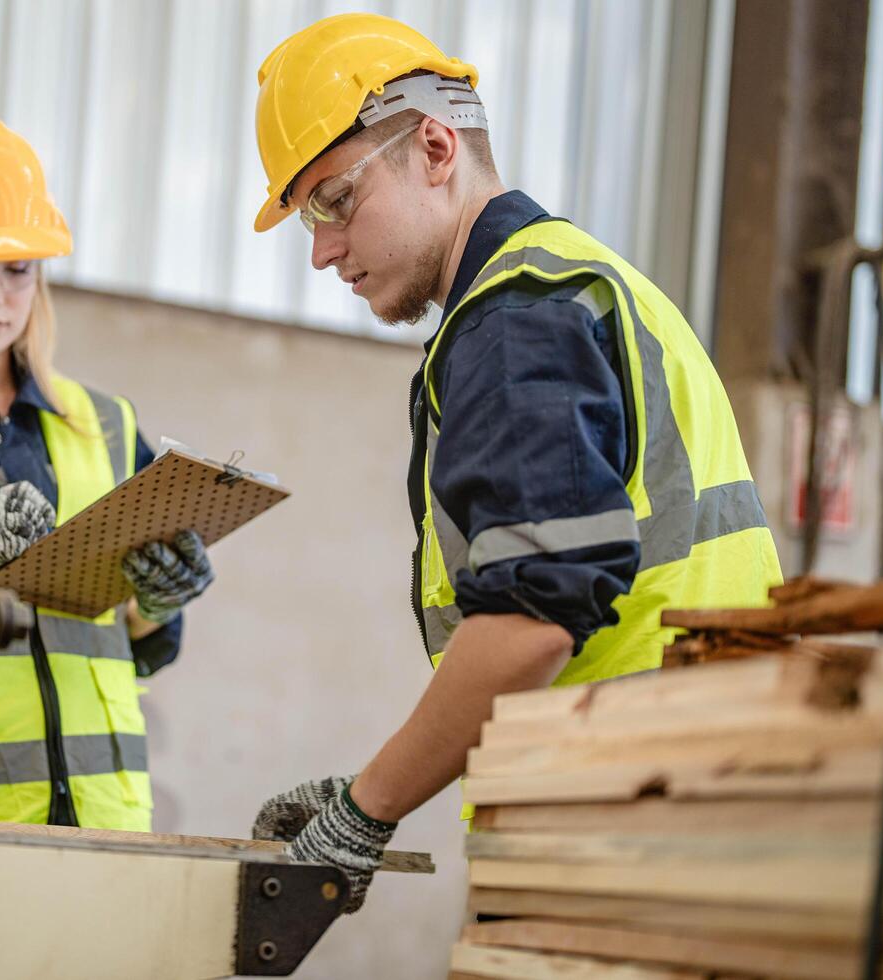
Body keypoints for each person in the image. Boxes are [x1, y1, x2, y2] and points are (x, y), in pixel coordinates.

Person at [246, 15, 782, 910]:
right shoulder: (583, 279)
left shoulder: (517, 316)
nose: (322, 249)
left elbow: (533, 619)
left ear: (435, 145)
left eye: (334, 200)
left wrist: (363, 811)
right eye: (307, 217)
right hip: (693, 798)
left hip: (621, 818)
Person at [0, 113, 212, 830]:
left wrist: (157, 603)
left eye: (17, 269)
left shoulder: (105, 425)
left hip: (100, 826)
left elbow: (134, 647)